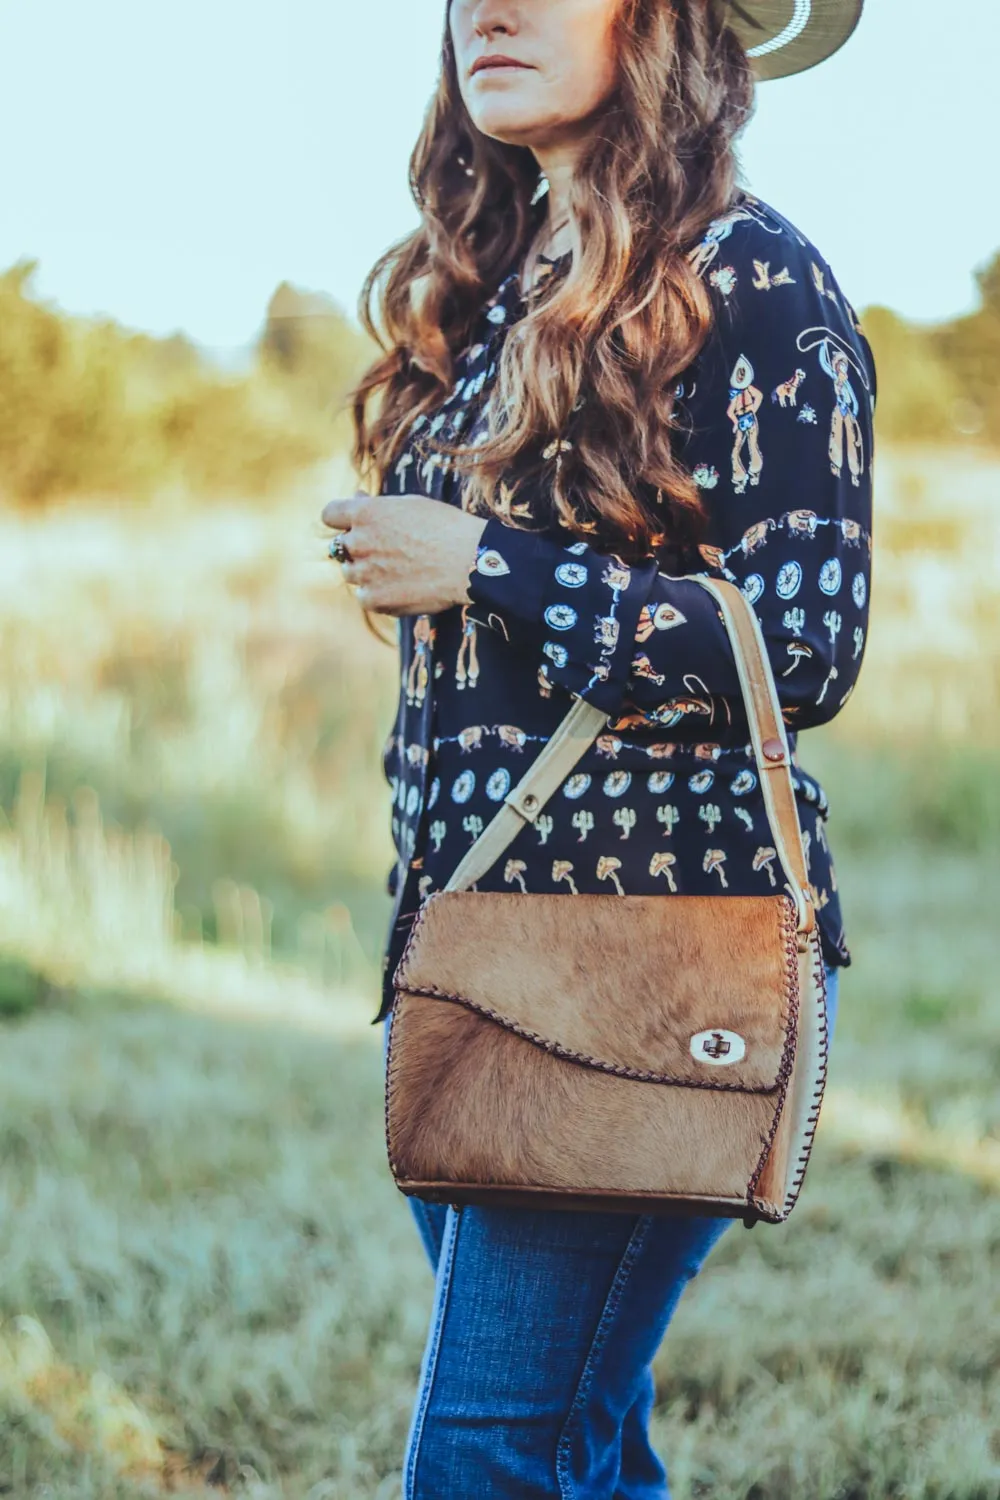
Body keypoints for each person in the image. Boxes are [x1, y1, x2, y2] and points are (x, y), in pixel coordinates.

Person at [323, 0, 875, 1494]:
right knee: (580, 1442)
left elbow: (804, 645)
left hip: (642, 970)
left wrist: (486, 565)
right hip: (475, 955)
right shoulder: (504, 287)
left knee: (485, 1457)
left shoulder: (752, 276)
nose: (486, 9)